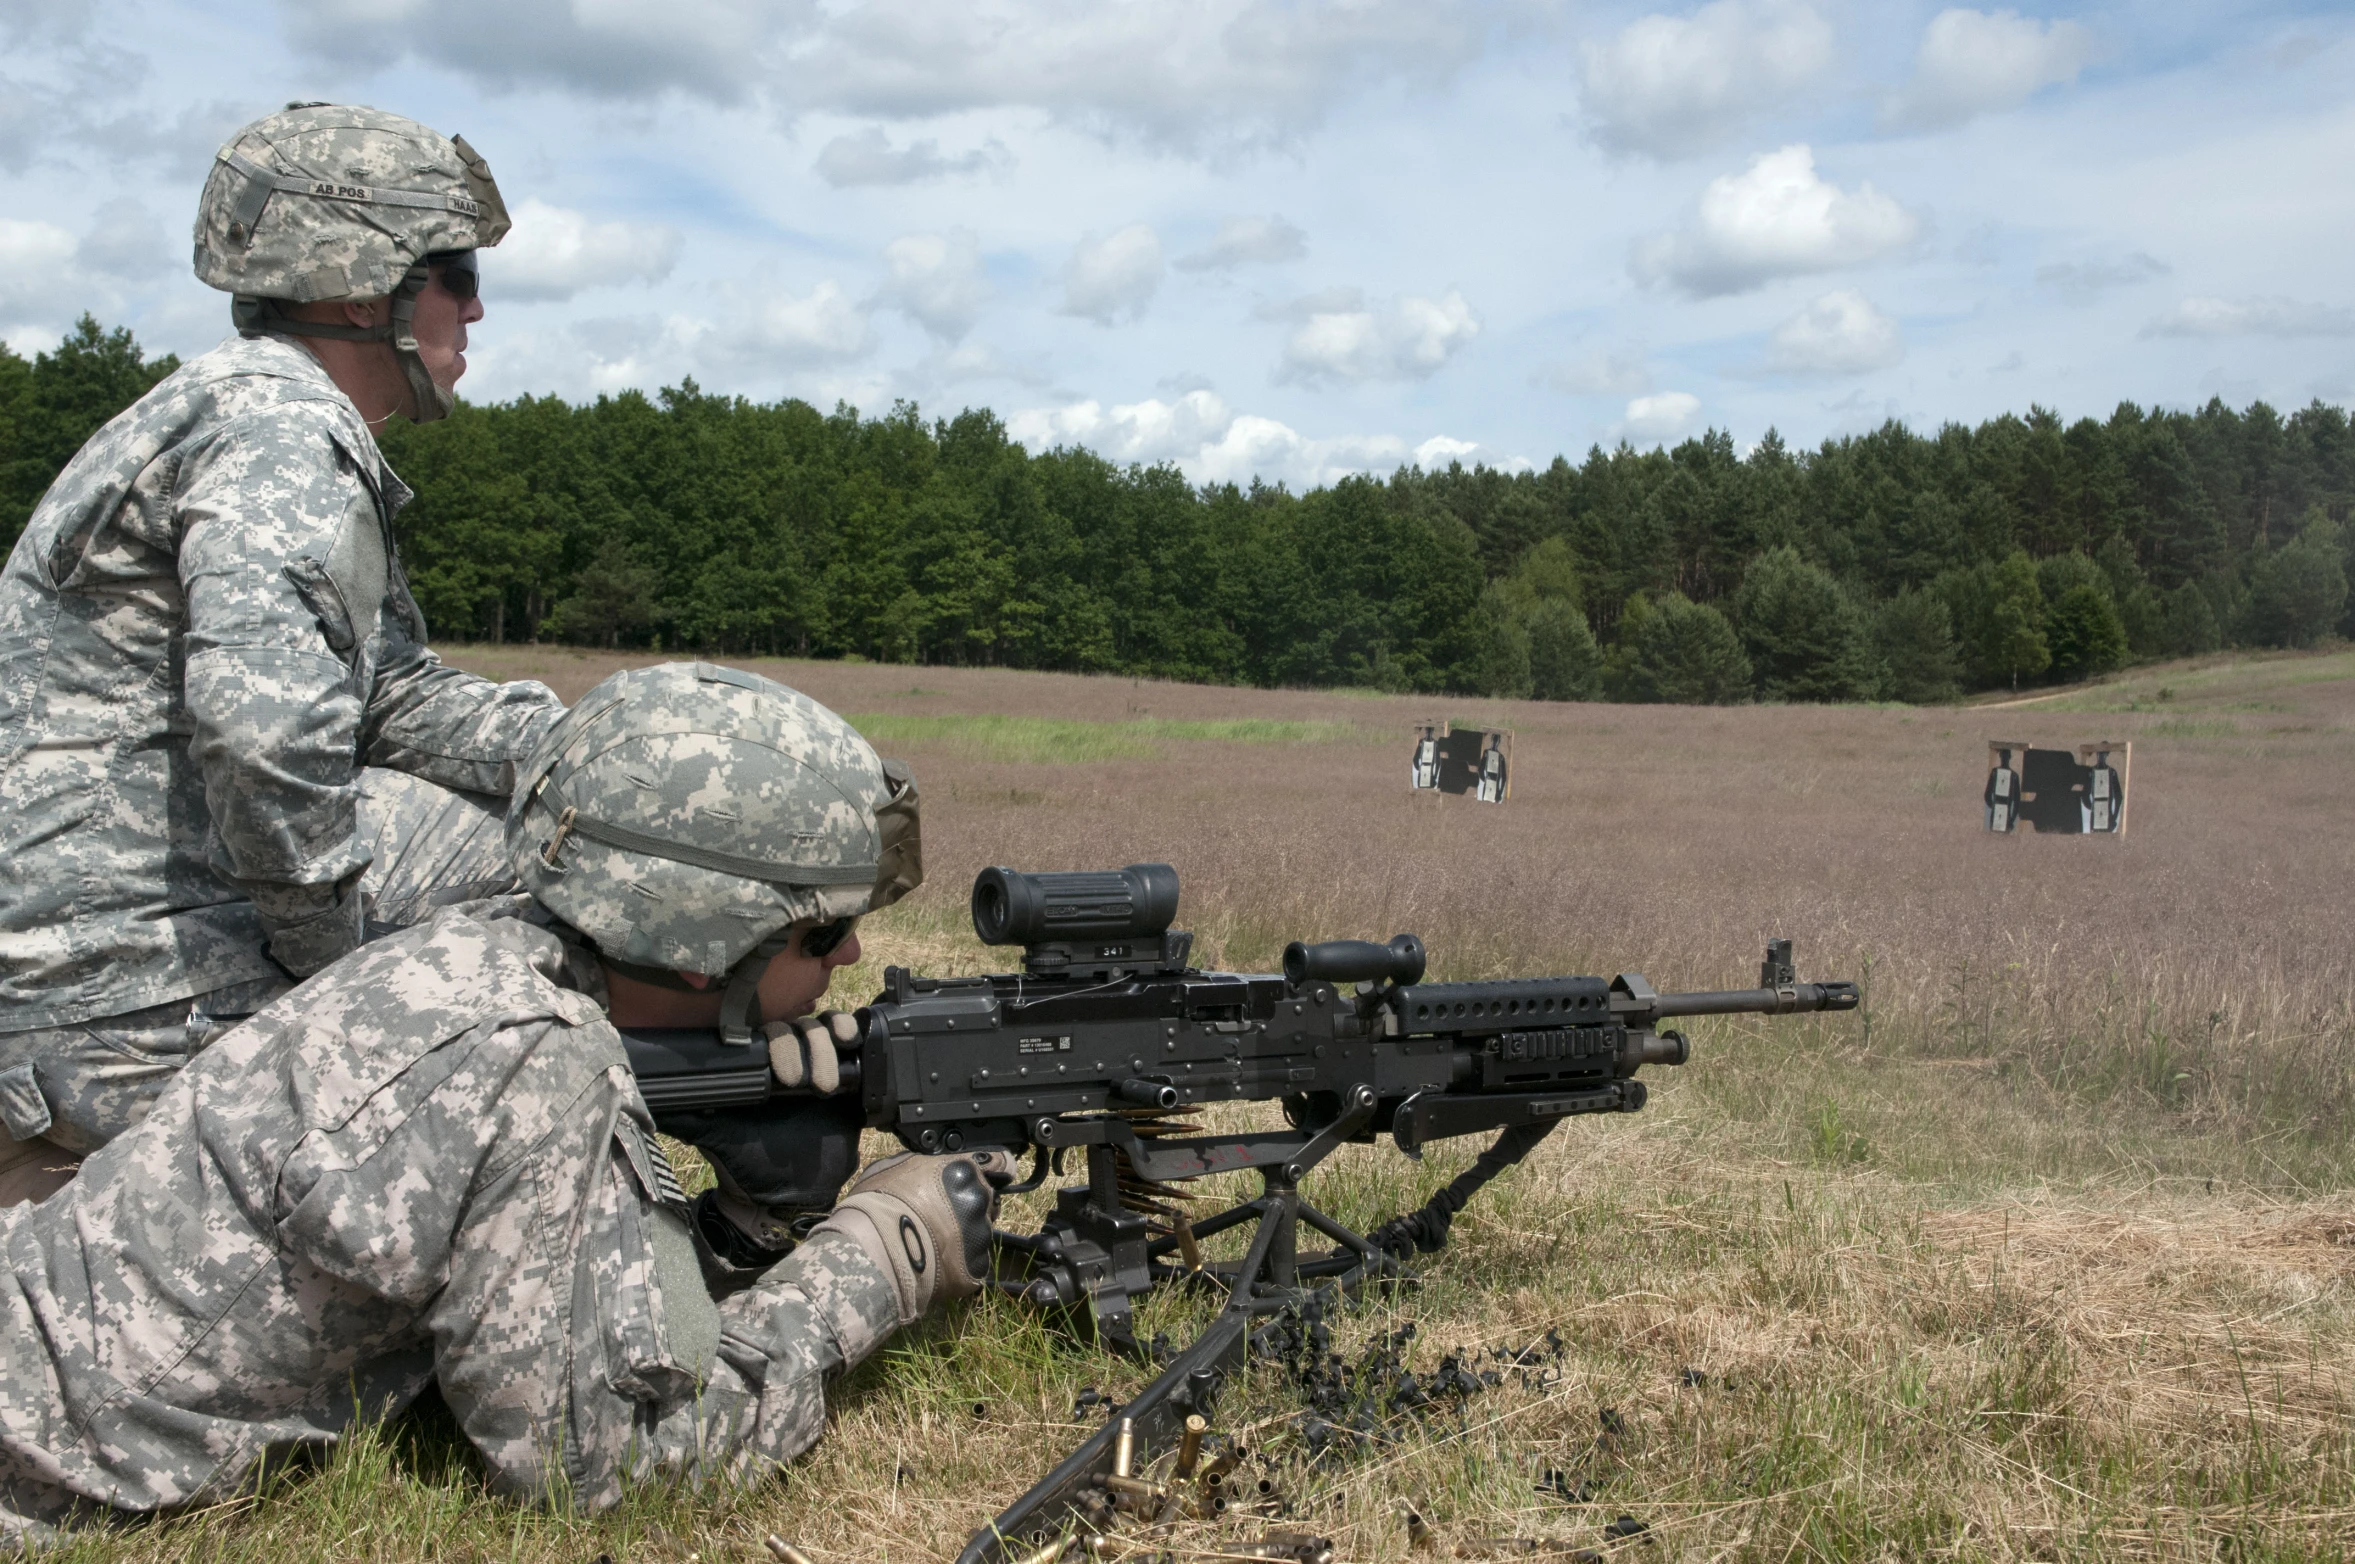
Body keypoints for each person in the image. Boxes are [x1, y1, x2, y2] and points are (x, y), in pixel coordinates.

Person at [0, 662, 1008, 1540]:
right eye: (821, 932)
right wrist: (882, 1253)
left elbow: (538, 1310)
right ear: (710, 936)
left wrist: (747, 1219)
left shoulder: (480, 949)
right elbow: (610, 1471)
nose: (853, 955)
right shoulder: (539, 1062)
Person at [0, 103, 568, 1204]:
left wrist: (597, 744)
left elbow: (389, 694)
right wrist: (338, 978)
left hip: (87, 956)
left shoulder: (252, 415)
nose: (477, 306)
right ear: (363, 287)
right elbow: (267, 736)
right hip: (113, 987)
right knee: (560, 855)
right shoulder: (281, 431)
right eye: (451, 271)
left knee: (559, 806)